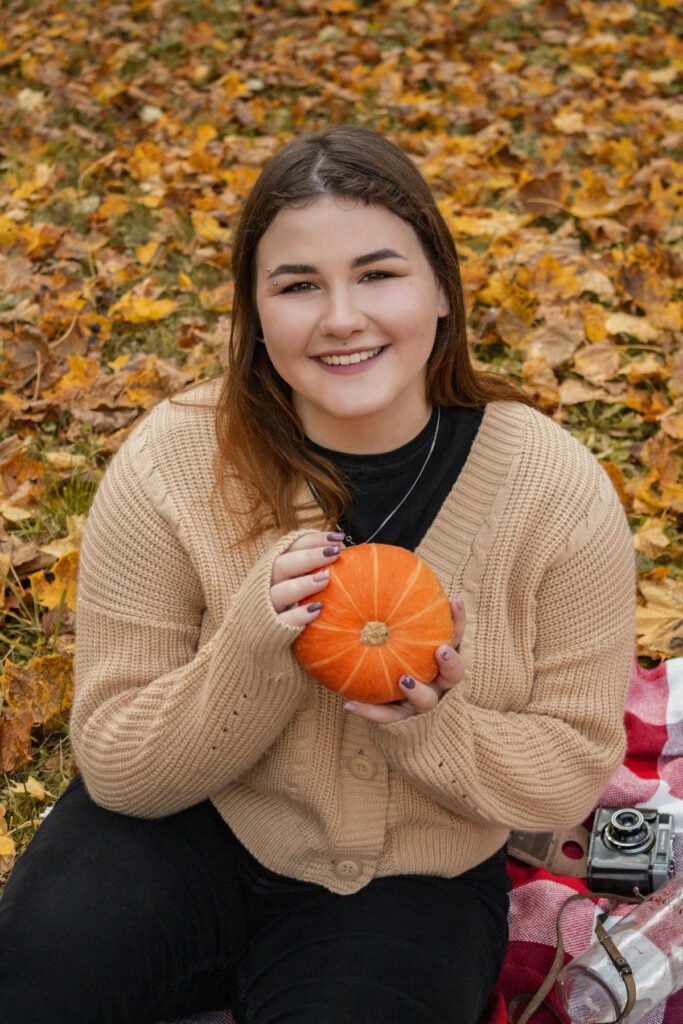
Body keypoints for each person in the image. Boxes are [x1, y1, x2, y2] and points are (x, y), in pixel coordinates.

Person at [0, 125, 635, 1024]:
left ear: (443, 292)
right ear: (255, 315)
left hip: (413, 875)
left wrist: (431, 731)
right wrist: (252, 652)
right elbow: (118, 763)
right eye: (299, 286)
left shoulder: (554, 491)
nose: (341, 317)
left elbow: (569, 770)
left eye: (378, 274)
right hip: (184, 827)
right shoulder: (173, 464)